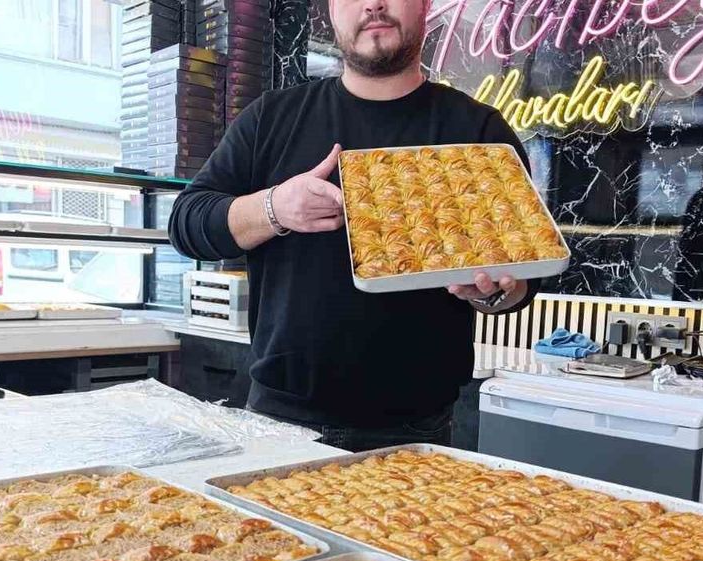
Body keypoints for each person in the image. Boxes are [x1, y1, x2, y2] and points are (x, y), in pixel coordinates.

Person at [168, 0, 539, 451]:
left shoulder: (478, 131)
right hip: (280, 417)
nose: (373, 4)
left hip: (417, 429)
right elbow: (187, 224)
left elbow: (524, 279)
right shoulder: (272, 118)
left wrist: (491, 293)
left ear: (425, 6)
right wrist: (274, 208)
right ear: (331, 10)